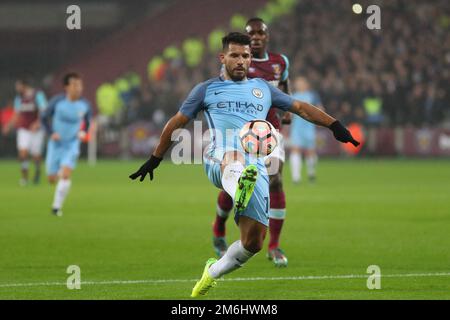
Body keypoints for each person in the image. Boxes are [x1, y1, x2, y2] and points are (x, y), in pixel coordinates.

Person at [129, 32, 359, 297]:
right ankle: (240, 187)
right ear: (223, 57)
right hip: (220, 155)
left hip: (257, 165)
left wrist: (334, 125)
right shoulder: (206, 89)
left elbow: (300, 107)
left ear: (251, 58)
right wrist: (156, 158)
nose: (241, 61)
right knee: (234, 159)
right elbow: (177, 122)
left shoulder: (263, 88)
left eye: (246, 56)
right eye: (235, 55)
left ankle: (212, 272)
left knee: (253, 242)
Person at [212, 17, 293, 267]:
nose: (257, 36)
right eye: (252, 33)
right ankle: (219, 227)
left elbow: (284, 87)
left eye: (261, 33)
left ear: (267, 36)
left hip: (270, 132)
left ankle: (274, 246)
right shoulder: (237, 63)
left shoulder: (280, 62)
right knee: (235, 185)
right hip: (242, 133)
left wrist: (287, 108)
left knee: (276, 180)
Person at [41, 73, 92, 216]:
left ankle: (56, 207)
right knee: (51, 179)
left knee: (65, 174)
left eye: (80, 85)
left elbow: (87, 122)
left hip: (72, 144)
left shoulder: (85, 105)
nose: (78, 88)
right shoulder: (57, 102)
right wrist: (51, 132)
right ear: (66, 87)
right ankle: (56, 174)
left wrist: (83, 131)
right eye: (74, 85)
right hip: (56, 144)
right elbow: (44, 118)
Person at [2, 79, 47, 185]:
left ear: (24, 85)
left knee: (36, 155)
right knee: (23, 153)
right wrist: (8, 125)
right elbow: (17, 114)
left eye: (18, 86)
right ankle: (25, 177)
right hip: (24, 129)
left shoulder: (38, 95)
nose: (17, 88)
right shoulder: (19, 98)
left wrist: (38, 123)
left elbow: (44, 110)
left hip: (36, 130)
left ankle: (37, 172)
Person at [290, 76, 323, 183]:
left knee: (310, 152)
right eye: (297, 83)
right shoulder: (293, 96)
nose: (299, 85)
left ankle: (311, 173)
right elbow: (289, 112)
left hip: (309, 127)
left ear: (306, 85)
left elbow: (320, 109)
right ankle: (296, 177)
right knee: (295, 150)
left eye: (301, 82)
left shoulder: (312, 95)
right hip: (297, 128)